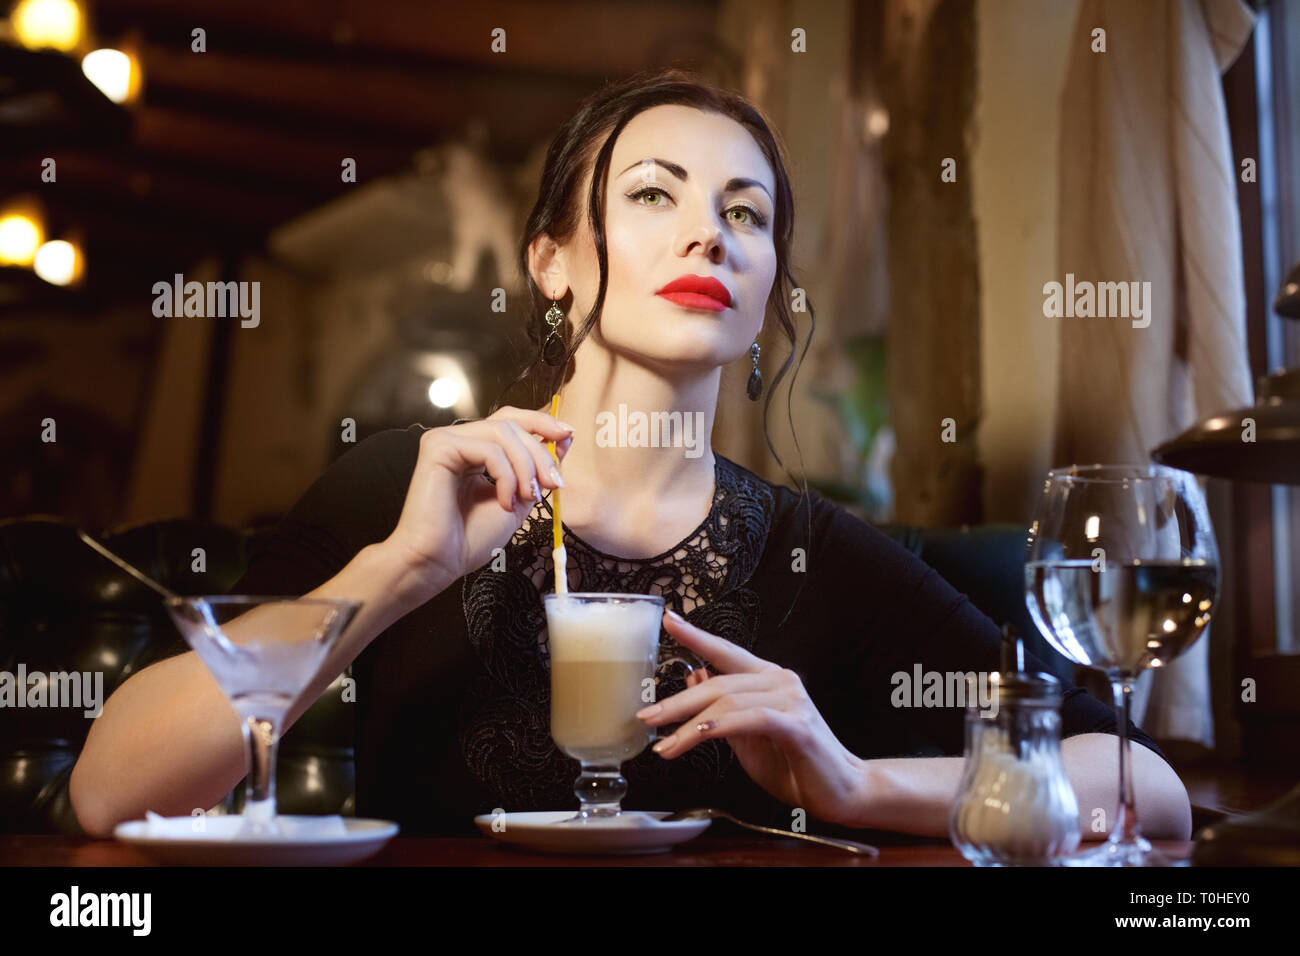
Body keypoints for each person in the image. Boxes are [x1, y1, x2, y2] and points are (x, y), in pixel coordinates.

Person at [70, 68, 1191, 843]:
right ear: (553, 260)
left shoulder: (819, 556)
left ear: (763, 302)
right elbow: (109, 788)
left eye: (745, 214)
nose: (711, 232)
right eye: (654, 194)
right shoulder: (404, 484)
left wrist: (851, 781)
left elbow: (1142, 785)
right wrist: (400, 568)